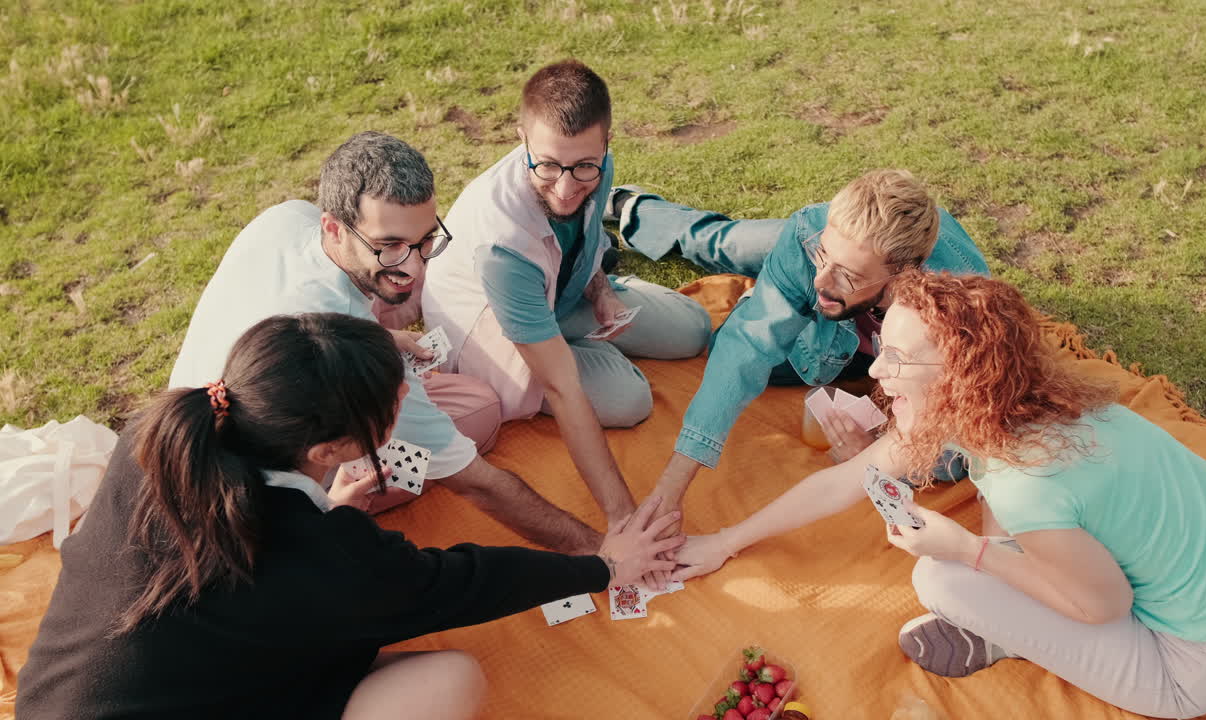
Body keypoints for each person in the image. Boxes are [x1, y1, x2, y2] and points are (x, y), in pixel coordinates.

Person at [671, 271, 1206, 719]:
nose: (877, 373)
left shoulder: (1025, 483)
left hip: (1199, 664)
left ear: (961, 379)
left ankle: (1001, 636)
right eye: (884, 348)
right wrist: (726, 541)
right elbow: (841, 481)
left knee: (940, 580)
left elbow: (1106, 607)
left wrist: (968, 551)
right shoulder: (1029, 407)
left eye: (899, 359)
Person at [17, 313, 683, 720]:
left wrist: (326, 510)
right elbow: (464, 581)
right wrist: (601, 566)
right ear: (330, 450)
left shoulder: (161, 434)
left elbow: (251, 572)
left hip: (52, 701)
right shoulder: (327, 556)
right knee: (451, 680)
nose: (412, 392)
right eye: (397, 396)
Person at [169, 131, 603, 553]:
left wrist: (384, 333)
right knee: (481, 412)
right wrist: (599, 550)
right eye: (388, 246)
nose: (413, 269)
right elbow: (478, 484)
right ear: (334, 228)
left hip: (193, 426)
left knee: (469, 398)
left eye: (425, 240)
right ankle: (339, 508)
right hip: (249, 511)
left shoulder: (286, 219)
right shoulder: (339, 351)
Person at [614, 171, 988, 540]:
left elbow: (961, 447)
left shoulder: (960, 309)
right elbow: (742, 352)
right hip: (829, 334)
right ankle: (634, 208)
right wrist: (669, 491)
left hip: (857, 339)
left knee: (769, 273)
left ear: (903, 276)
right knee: (725, 254)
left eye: (849, 275)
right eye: (821, 255)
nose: (820, 281)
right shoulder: (808, 237)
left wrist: (879, 455)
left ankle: (774, 287)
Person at [421, 60, 711, 528]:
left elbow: (587, 232)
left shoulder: (595, 164)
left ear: (605, 144)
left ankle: (583, 333)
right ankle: (567, 351)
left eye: (583, 168)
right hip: (494, 328)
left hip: (561, 291)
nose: (566, 187)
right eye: (549, 165)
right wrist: (621, 517)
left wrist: (600, 290)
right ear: (522, 140)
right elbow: (562, 386)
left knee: (694, 329)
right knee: (629, 400)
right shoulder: (502, 247)